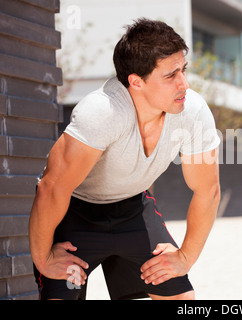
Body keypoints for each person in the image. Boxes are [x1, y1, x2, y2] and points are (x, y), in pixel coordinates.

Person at [29, 18, 221, 300]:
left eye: (183, 70)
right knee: (63, 295)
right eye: (170, 75)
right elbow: (52, 187)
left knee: (179, 298)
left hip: (131, 210)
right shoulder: (103, 112)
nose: (184, 83)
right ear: (136, 82)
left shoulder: (191, 111)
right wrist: (43, 259)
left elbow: (208, 190)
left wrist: (185, 258)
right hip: (74, 213)